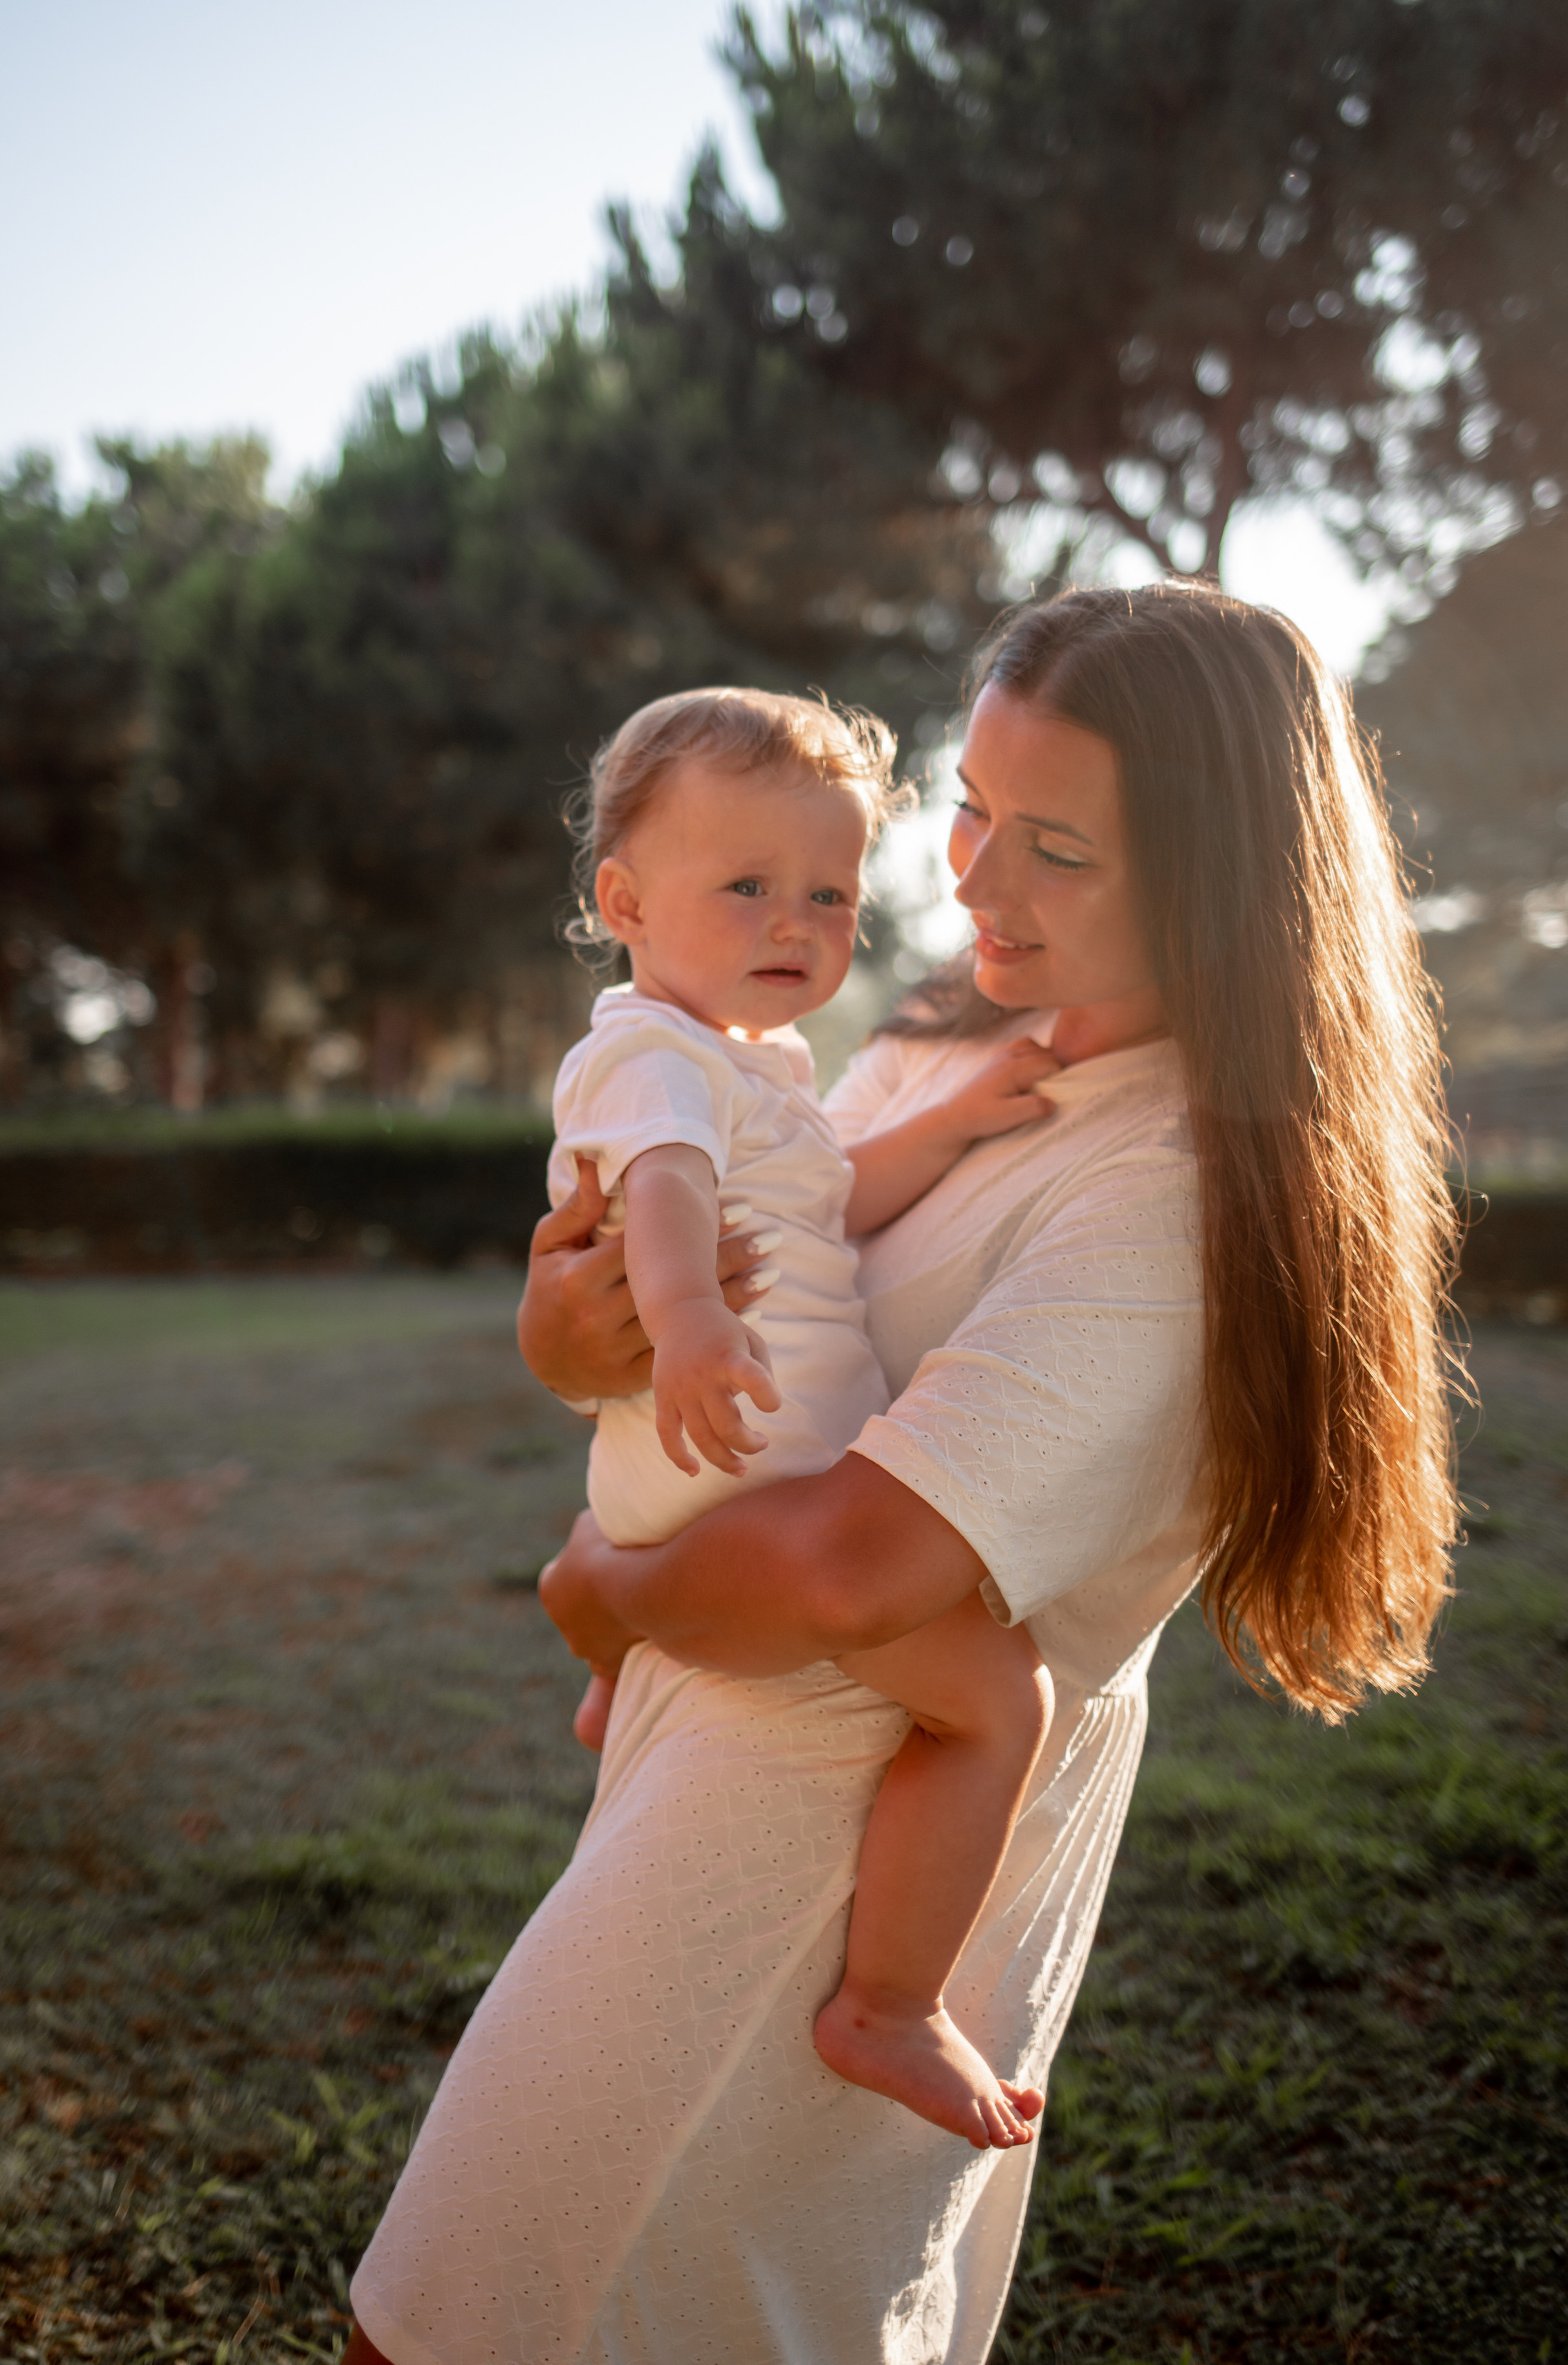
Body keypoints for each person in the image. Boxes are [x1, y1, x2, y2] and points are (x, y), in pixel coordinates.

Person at [342, 583, 1459, 2365]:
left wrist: (600, 1595)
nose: (969, 886)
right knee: (464, 2303)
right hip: (708, 1748)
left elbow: (855, 1573)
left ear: (1220, 875)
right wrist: (573, 1339)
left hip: (838, 1862)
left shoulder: (1183, 1185)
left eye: (1055, 849)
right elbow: (754, 1250)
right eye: (971, 812)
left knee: (526, 2320)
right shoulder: (948, 1027)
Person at [548, 685, 1062, 2149]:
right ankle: (884, 2006)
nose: (796, 921)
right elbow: (659, 1191)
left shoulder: (748, 1064)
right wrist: (697, 1326)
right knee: (995, 1702)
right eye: (749, 886)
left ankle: (609, 1649)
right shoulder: (652, 1060)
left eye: (828, 892)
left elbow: (826, 1196)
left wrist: (952, 1124)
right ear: (625, 901)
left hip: (701, 1468)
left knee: (617, 1559)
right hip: (748, 1471)